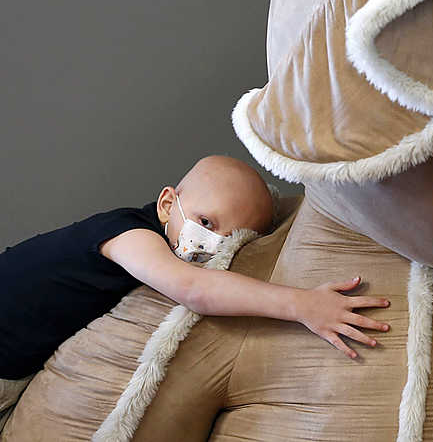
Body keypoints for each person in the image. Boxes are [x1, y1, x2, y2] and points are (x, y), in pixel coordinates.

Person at [0, 154, 391, 426]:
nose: (214, 243)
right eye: (206, 221)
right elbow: (193, 288)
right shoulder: (126, 233)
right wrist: (304, 305)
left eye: (231, 237)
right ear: (168, 204)